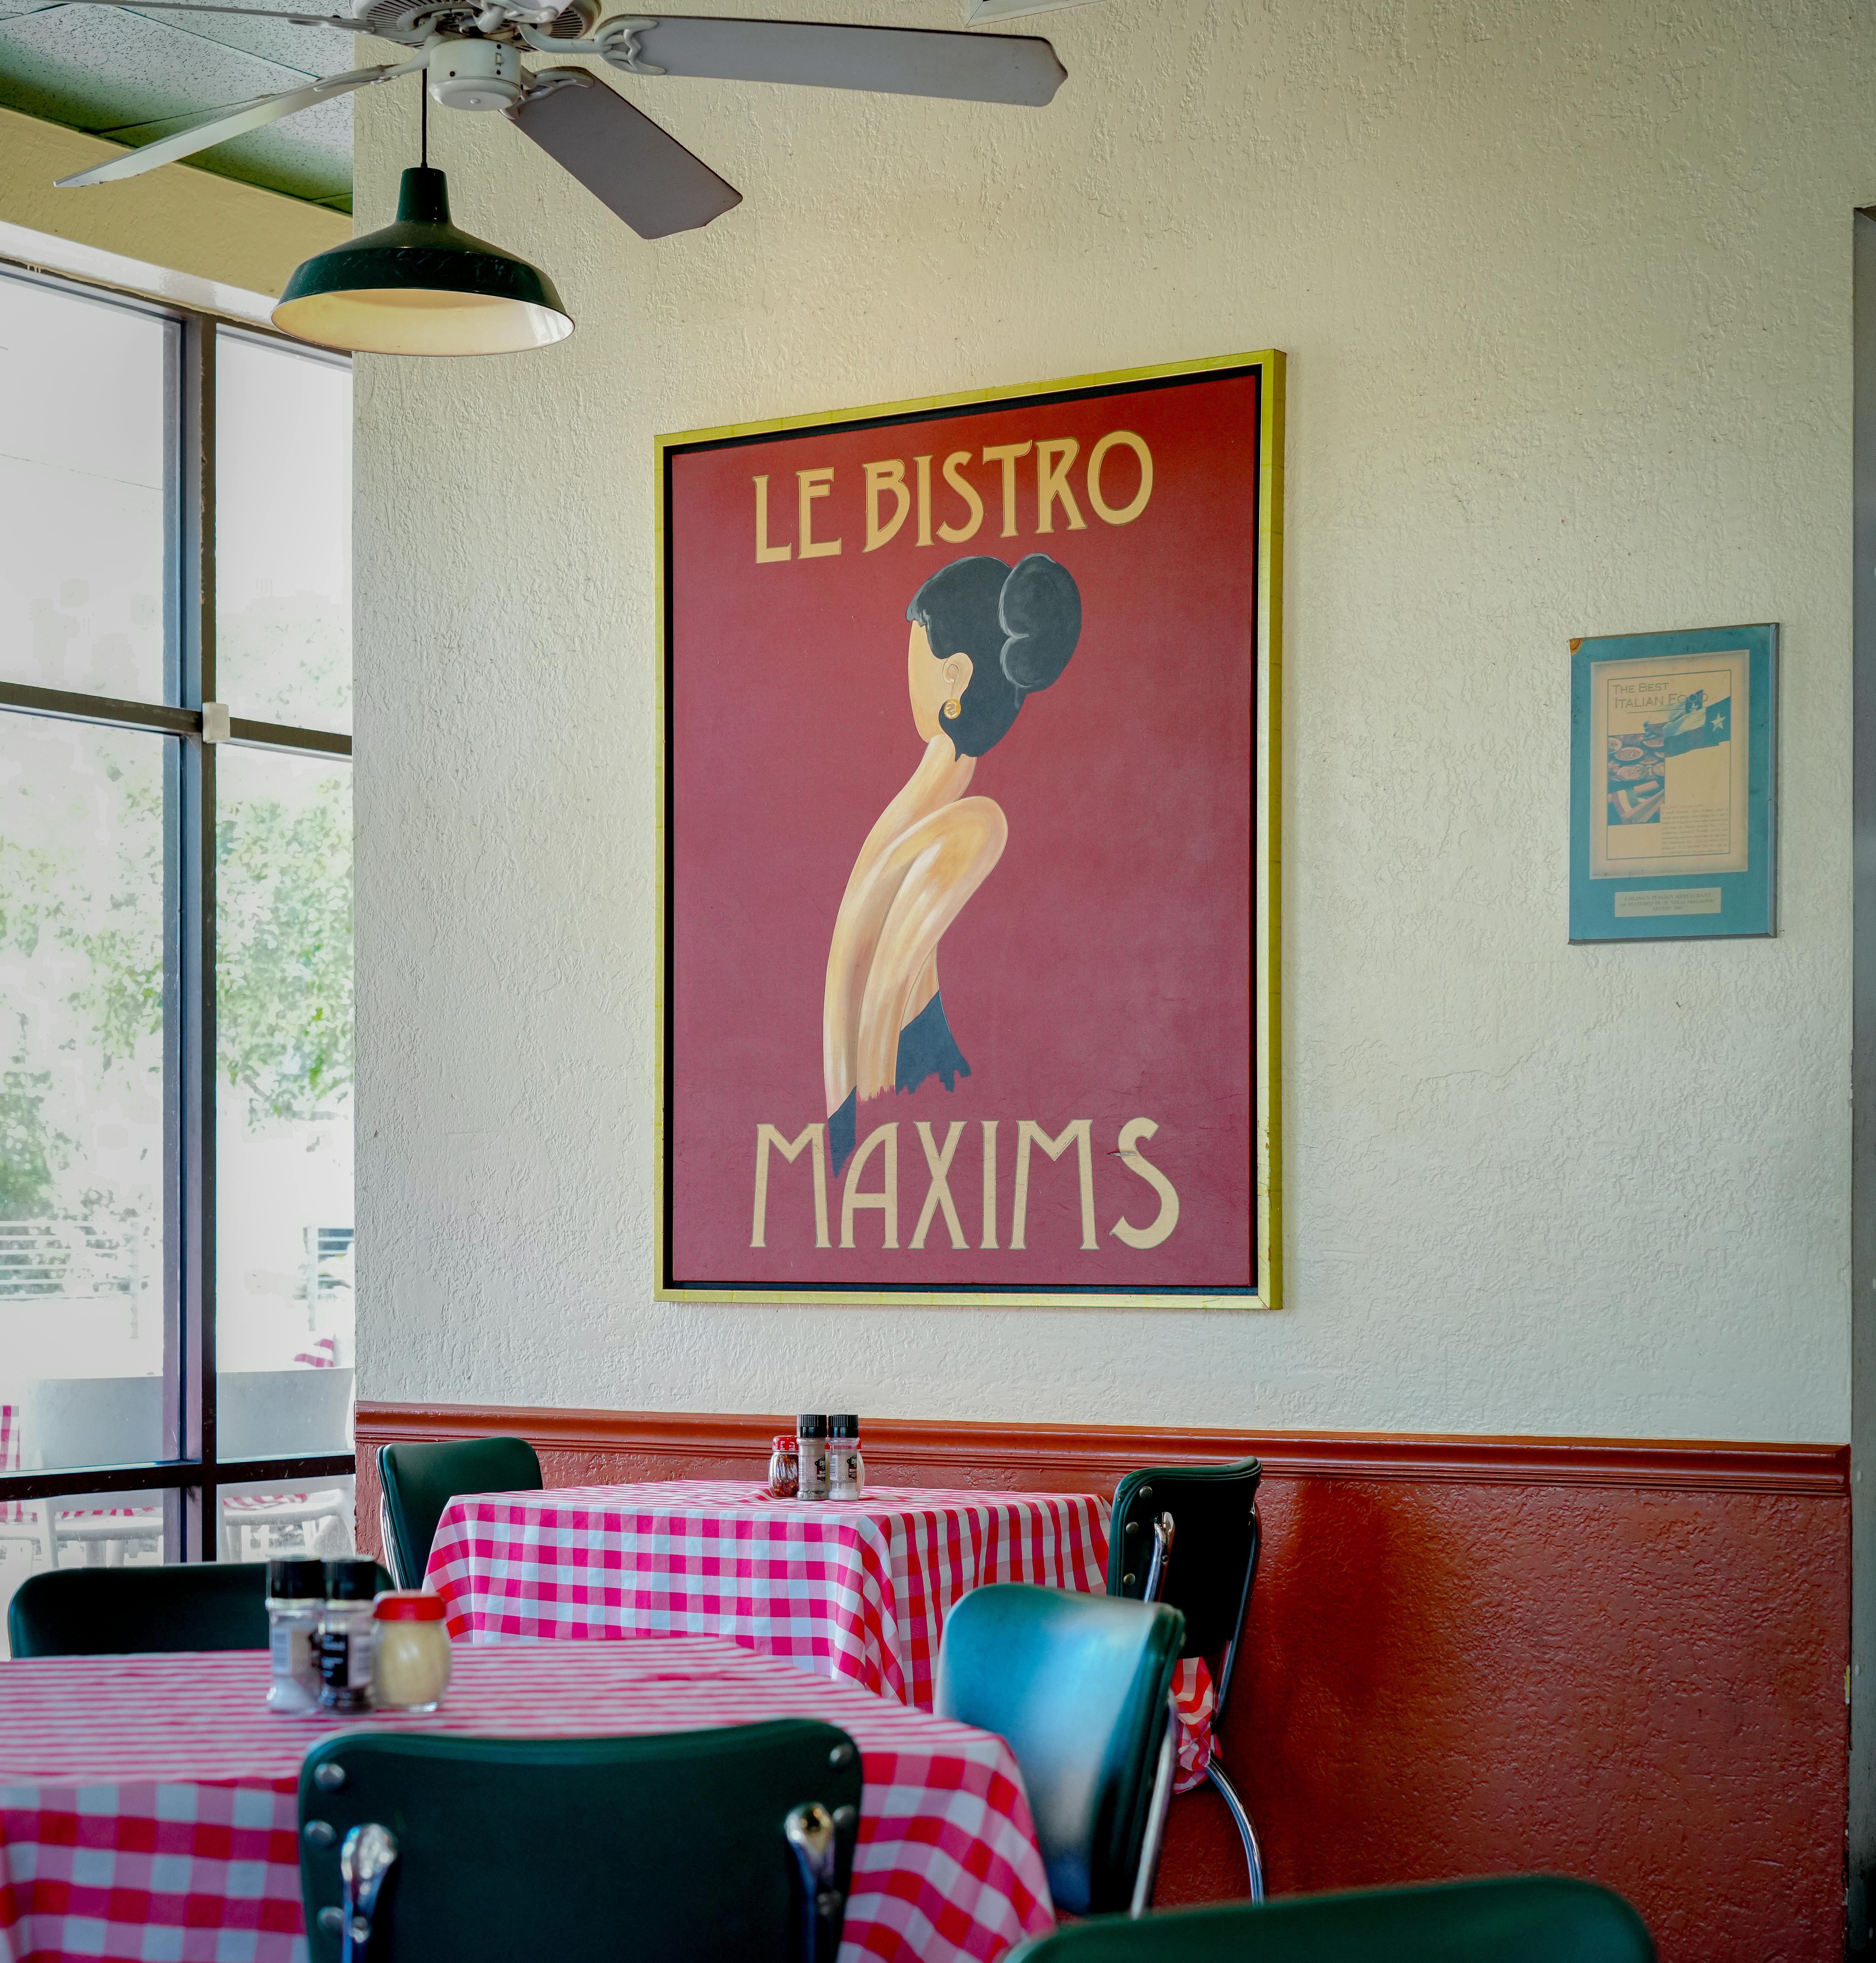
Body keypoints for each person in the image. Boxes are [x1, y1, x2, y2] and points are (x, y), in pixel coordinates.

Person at [822, 551, 1082, 1175]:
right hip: (870, 1125)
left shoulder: (973, 827)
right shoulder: (921, 816)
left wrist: (849, 1150)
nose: (904, 672)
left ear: (955, 677)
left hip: (903, 1126)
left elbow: (881, 1017)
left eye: (917, 652)